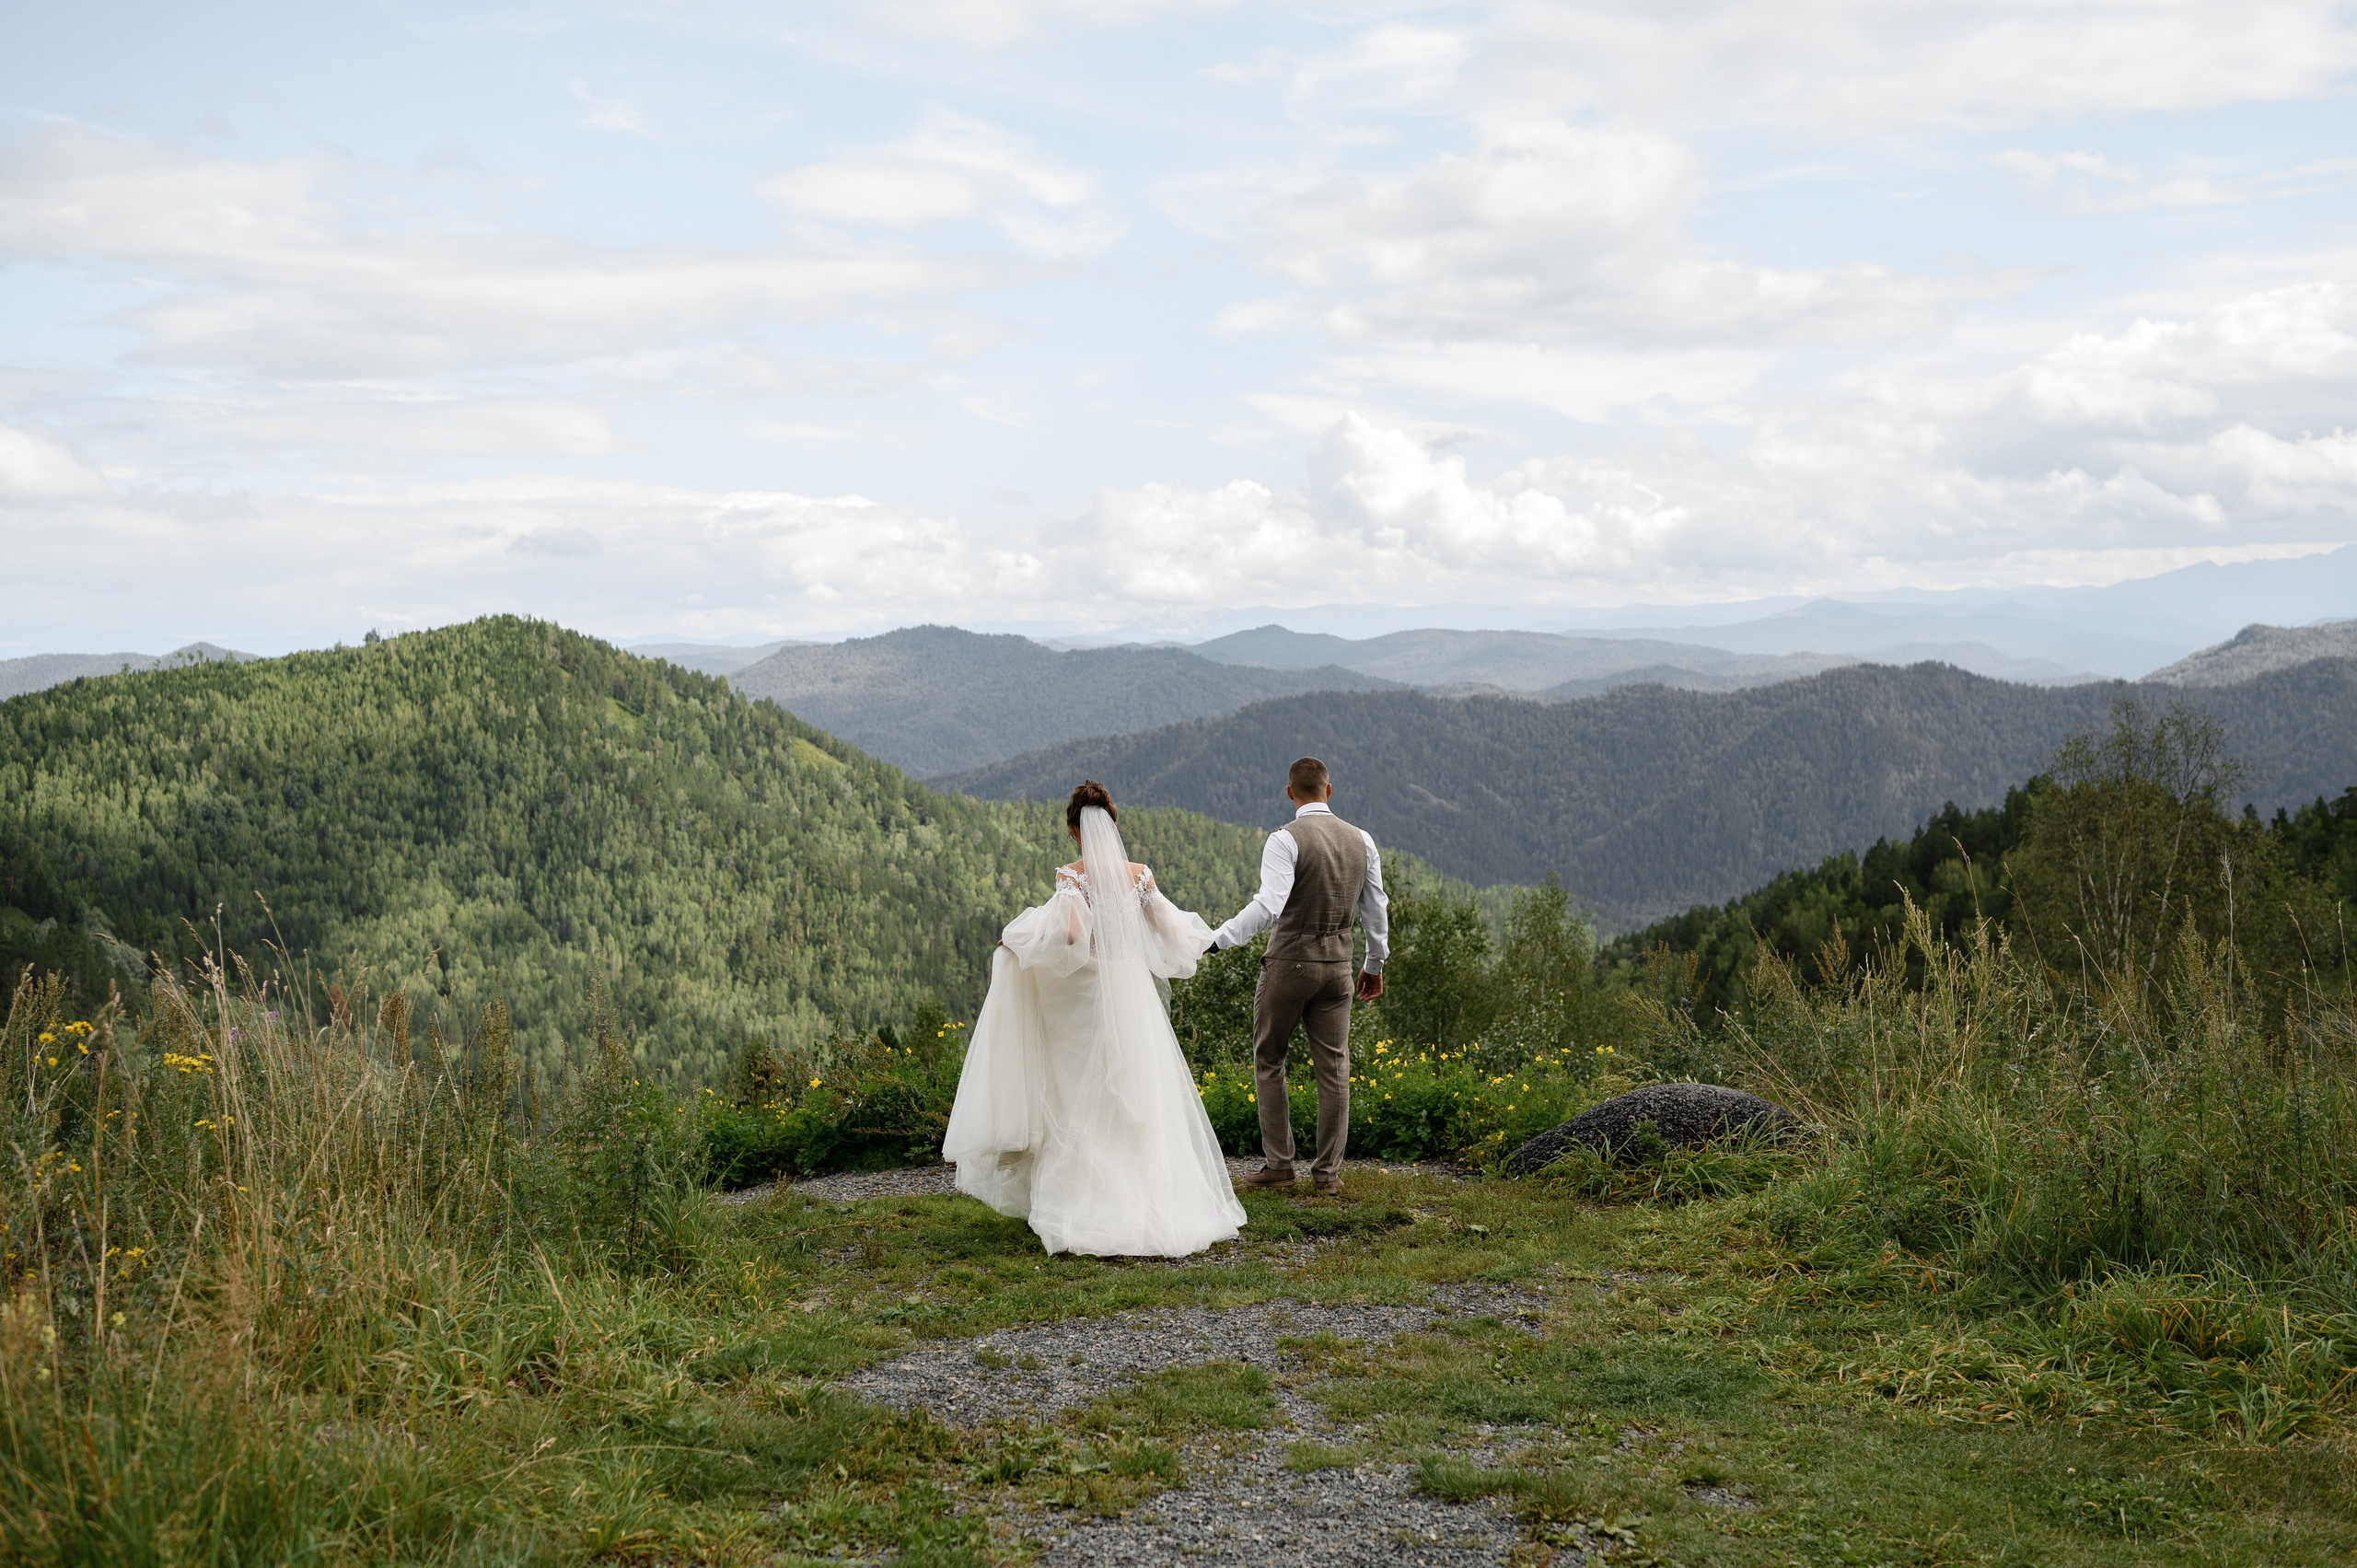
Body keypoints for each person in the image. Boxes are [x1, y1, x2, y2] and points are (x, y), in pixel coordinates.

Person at [943, 781, 1247, 1257]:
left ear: (1072, 829)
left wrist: (1022, 938)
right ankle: (1153, 1201)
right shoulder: (1139, 876)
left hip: (1086, 996)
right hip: (1133, 994)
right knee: (1138, 1097)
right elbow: (1169, 930)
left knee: (1078, 1098)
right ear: (1113, 823)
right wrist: (1204, 939)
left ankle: (1084, 1204)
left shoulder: (1072, 876)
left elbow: (1067, 934)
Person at [1204, 756, 1387, 1195]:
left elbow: (1269, 906)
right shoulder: (1362, 841)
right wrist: (1373, 965)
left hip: (1289, 963)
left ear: (1290, 793)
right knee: (1334, 1068)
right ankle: (1327, 1175)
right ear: (1330, 789)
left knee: (1270, 1060)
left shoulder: (1284, 840)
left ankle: (1280, 1166)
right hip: (1340, 967)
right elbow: (1376, 908)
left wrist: (1217, 939)